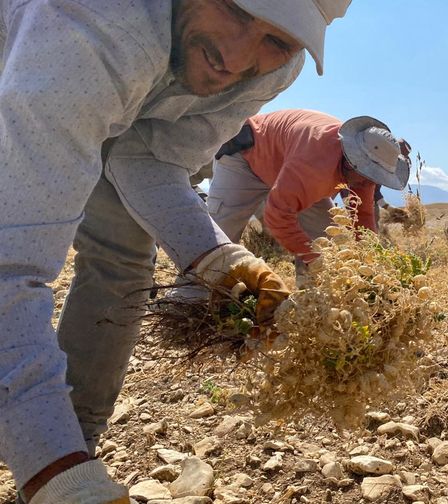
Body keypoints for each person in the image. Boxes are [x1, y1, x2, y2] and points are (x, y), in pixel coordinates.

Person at [0, 1, 350, 502]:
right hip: (35, 76)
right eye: (234, 7)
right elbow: (9, 268)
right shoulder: (90, 22)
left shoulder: (279, 64)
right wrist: (51, 470)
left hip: (102, 98)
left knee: (123, 267)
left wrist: (218, 259)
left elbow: (146, 157)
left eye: (277, 39)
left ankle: (73, 436)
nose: (234, 58)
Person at [207, 110, 410, 273]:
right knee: (217, 240)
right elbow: (277, 216)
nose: (369, 182)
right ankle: (194, 297)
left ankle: (311, 303)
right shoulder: (314, 162)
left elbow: (363, 216)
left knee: (326, 242)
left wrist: (370, 262)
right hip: (246, 158)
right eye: (368, 174)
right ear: (352, 161)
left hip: (290, 170)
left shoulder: (363, 177)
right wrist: (312, 258)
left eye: (375, 176)